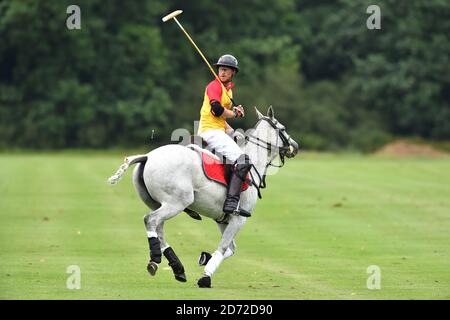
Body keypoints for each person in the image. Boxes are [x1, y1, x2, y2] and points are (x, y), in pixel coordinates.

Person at [197, 54, 252, 215]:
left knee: (237, 154)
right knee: (243, 160)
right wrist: (235, 114)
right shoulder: (214, 86)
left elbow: (221, 119)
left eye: (226, 70)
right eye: (221, 69)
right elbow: (217, 110)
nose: (222, 72)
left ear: (233, 72)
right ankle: (231, 203)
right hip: (210, 131)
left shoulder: (229, 92)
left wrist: (232, 130)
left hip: (217, 130)